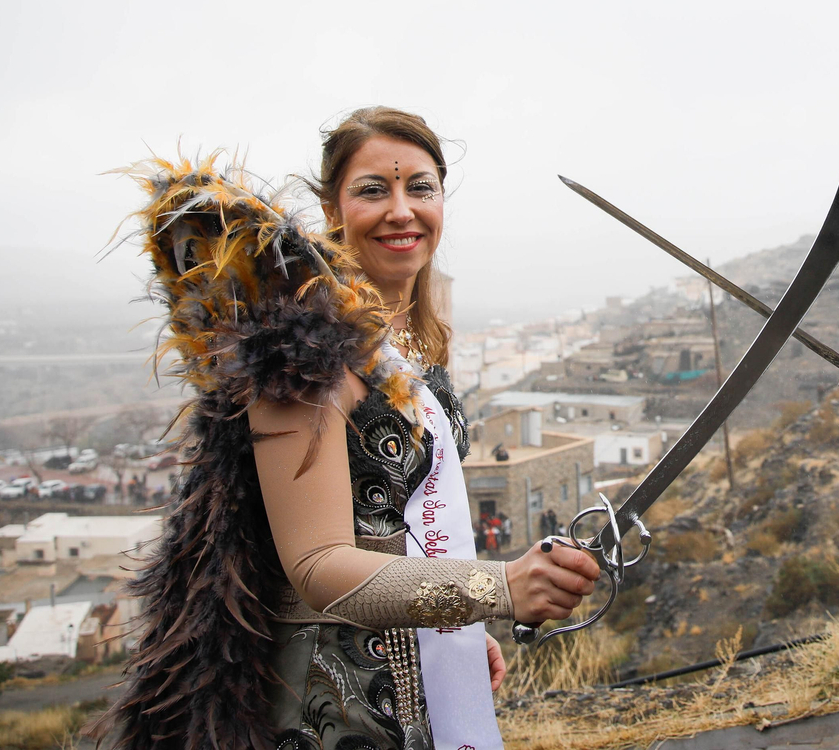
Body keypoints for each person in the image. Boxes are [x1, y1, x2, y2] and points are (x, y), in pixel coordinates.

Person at [95, 107, 601, 750]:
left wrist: (453, 629)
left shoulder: (412, 352)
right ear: (332, 211)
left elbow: (407, 529)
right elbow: (318, 564)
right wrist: (496, 588)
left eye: (420, 187)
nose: (401, 210)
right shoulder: (295, 353)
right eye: (372, 189)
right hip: (332, 716)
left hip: (419, 684)